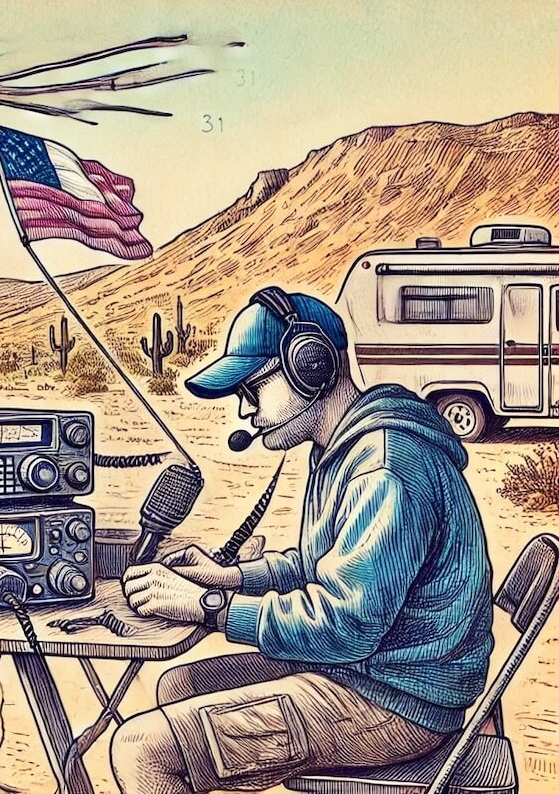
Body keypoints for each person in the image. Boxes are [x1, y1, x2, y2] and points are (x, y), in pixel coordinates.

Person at [110, 286, 493, 794]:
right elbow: (320, 565)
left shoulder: (385, 466)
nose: (246, 412)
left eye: (254, 389)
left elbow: (345, 622)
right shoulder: (345, 447)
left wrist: (209, 606)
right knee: (177, 685)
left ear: (310, 367)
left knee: (142, 750)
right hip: (365, 670)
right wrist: (231, 577)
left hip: (396, 700)